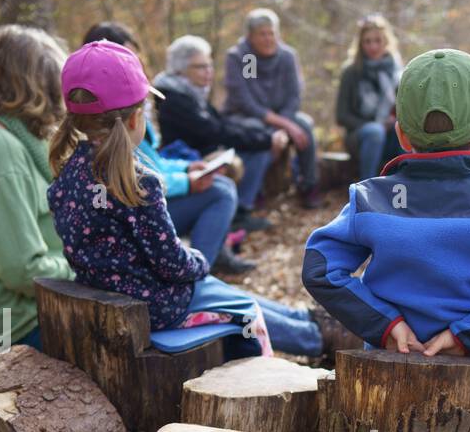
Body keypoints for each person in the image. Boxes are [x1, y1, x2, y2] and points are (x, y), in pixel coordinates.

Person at [47, 41, 338, 361]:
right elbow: (172, 263)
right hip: (156, 306)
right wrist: (198, 259)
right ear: (135, 119)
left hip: (116, 298)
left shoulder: (66, 177)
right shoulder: (138, 182)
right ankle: (318, 340)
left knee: (219, 290)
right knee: (242, 309)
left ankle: (309, 321)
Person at [302, 48, 470, 370]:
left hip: (387, 363)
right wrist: (466, 338)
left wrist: (386, 326)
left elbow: (320, 268)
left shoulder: (371, 198)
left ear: (401, 136)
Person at [82, 21, 255, 277]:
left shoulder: (136, 106)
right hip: (137, 215)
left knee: (225, 180)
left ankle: (209, 261)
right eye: (125, 58)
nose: (135, 64)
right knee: (221, 191)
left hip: (153, 195)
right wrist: (186, 181)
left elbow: (151, 162)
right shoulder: (116, 117)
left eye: (135, 56)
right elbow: (137, 179)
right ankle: (197, 278)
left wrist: (187, 168)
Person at [0, 24, 73, 351]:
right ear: (37, 85)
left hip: (47, 308)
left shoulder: (23, 140)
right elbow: (23, 270)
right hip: (24, 324)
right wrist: (87, 266)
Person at [154, 35, 290, 220]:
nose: (208, 71)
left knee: (261, 137)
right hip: (188, 158)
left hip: (208, 147)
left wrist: (268, 132)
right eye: (201, 67)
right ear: (181, 70)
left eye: (209, 65)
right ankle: (240, 212)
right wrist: (266, 138)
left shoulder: (191, 92)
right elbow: (216, 130)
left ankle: (250, 202)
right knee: (257, 149)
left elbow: (219, 123)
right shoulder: (175, 98)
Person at [224, 8, 324, 209]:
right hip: (248, 116)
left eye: (272, 33)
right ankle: (256, 190)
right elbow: (246, 101)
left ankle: (308, 185)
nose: (268, 39)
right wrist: (281, 126)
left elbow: (294, 96)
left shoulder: (287, 57)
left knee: (304, 125)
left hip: (281, 115)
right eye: (262, 34)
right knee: (256, 130)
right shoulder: (245, 58)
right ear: (250, 36)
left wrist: (283, 125)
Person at [335, 14, 404, 178]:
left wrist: (391, 121)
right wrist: (376, 124)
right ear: (360, 43)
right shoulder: (351, 72)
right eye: (368, 41)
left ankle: (407, 185)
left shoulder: (397, 71)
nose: (373, 46)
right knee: (375, 131)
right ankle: (367, 188)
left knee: (404, 130)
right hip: (360, 135)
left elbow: (404, 108)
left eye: (377, 40)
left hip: (390, 132)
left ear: (386, 41)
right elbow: (341, 116)